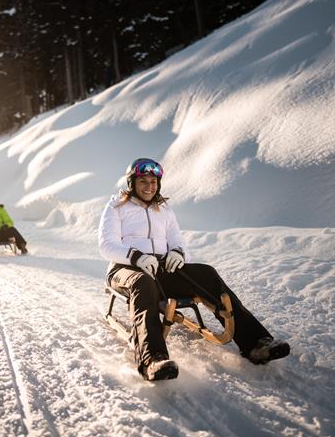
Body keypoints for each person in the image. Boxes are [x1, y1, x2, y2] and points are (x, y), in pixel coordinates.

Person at [98, 158, 290, 381]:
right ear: (132, 182)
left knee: (206, 273)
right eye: (143, 181)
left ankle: (256, 343)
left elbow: (180, 242)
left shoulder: (165, 210)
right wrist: (135, 257)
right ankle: (153, 359)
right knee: (143, 283)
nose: (149, 186)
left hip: (160, 269)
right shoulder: (116, 206)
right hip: (125, 269)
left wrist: (177, 253)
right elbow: (106, 245)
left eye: (154, 181)